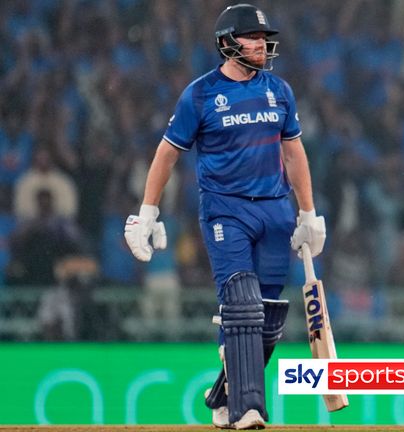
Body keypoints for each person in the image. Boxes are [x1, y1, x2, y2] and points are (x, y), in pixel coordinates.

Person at [124, 4, 326, 430]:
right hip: (225, 211)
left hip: (275, 210)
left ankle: (221, 392)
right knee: (242, 305)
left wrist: (309, 212)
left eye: (263, 36)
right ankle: (248, 408)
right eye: (251, 36)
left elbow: (293, 152)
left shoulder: (280, 90)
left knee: (268, 319)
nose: (261, 44)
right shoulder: (199, 94)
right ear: (226, 43)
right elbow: (167, 153)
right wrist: (147, 211)